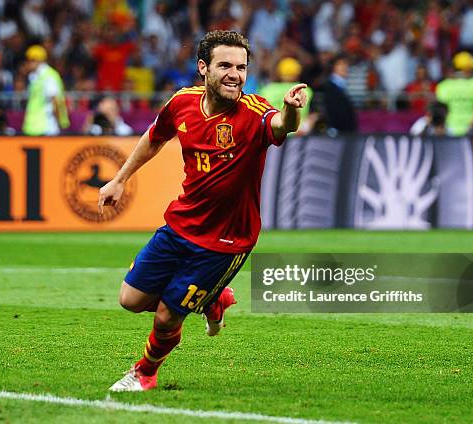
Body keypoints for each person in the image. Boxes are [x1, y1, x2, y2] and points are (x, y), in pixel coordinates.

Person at [98, 30, 308, 392]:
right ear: (203, 68)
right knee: (130, 300)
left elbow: (281, 126)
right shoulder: (182, 104)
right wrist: (119, 179)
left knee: (166, 316)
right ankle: (212, 300)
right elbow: (154, 137)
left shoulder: (255, 112)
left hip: (226, 240)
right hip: (182, 224)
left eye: (241, 67)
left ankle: (145, 372)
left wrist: (290, 110)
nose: (234, 74)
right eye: (225, 65)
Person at [435, 51, 473, 136]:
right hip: (472, 129)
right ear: (466, 68)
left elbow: (441, 110)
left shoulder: (444, 85)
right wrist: (471, 127)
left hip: (449, 129)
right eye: (471, 67)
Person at [22, 45, 70, 136]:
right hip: (34, 127)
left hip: (47, 126)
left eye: (30, 60)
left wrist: (59, 123)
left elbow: (55, 100)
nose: (27, 63)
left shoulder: (49, 76)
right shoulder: (35, 76)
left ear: (38, 60)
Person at [317, 54, 358, 134]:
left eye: (346, 64)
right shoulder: (329, 87)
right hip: (337, 135)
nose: (345, 67)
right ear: (333, 67)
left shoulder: (341, 87)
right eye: (341, 64)